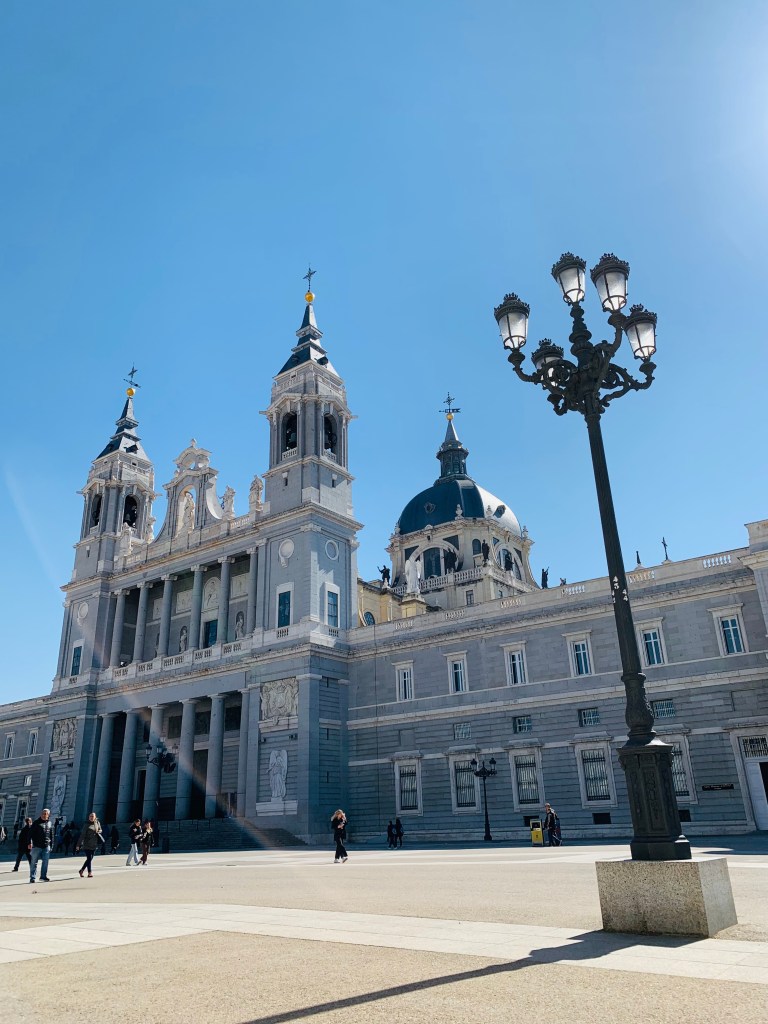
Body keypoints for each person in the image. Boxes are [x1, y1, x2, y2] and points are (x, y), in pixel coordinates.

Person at [29, 807, 54, 883]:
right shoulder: (36, 823)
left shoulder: (50, 823)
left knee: (45, 862)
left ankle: (43, 876)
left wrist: (51, 845)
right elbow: (30, 834)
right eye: (43, 813)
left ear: (48, 815)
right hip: (37, 846)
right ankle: (32, 877)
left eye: (46, 814)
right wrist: (29, 843)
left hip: (46, 846)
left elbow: (51, 835)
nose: (44, 815)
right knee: (34, 862)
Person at [75, 812, 103, 878]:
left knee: (90, 859)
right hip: (87, 844)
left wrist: (99, 831)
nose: (91, 817)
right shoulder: (86, 824)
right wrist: (78, 844)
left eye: (92, 816)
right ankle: (89, 872)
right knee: (89, 858)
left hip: (94, 844)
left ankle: (81, 870)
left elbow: (100, 829)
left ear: (95, 817)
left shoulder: (97, 823)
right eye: (90, 816)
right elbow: (82, 835)